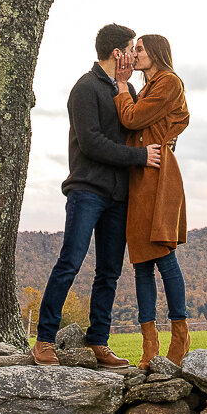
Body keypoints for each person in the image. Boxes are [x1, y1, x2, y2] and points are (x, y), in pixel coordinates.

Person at [33, 22, 164, 366]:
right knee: (70, 263)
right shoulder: (85, 88)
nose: (136, 55)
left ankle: (98, 342)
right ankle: (44, 339)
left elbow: (136, 128)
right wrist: (139, 156)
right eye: (132, 48)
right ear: (117, 52)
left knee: (109, 271)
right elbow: (91, 144)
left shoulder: (127, 92)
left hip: (120, 195)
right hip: (87, 190)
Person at [114, 33, 190, 367]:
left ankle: (180, 333)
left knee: (163, 253)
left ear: (155, 52)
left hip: (157, 173)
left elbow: (131, 119)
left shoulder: (168, 82)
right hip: (140, 171)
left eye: (140, 49)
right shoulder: (146, 87)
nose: (134, 54)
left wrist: (120, 87)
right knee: (141, 261)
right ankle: (149, 343)